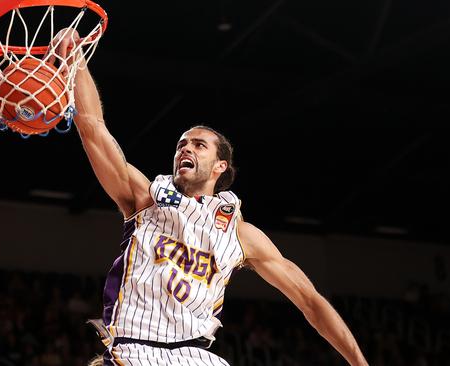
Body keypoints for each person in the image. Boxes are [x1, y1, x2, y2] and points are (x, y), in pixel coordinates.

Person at [55, 30, 369, 366]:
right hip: (134, 350)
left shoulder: (239, 234)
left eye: (198, 145)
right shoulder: (144, 199)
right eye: (181, 144)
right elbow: (92, 127)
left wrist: (359, 362)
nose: (185, 148)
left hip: (195, 356)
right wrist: (75, 61)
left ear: (221, 166)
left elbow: (310, 301)